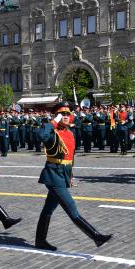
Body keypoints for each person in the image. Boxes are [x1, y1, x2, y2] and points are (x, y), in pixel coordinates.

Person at [35, 101, 112, 251]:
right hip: (53, 174)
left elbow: (70, 158)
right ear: (56, 116)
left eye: (67, 114)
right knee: (72, 208)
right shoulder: (52, 131)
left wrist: (70, 175)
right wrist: (53, 122)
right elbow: (42, 136)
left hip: (63, 174)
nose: (65, 116)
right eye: (62, 114)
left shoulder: (69, 133)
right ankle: (96, 236)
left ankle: (40, 240)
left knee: (48, 209)